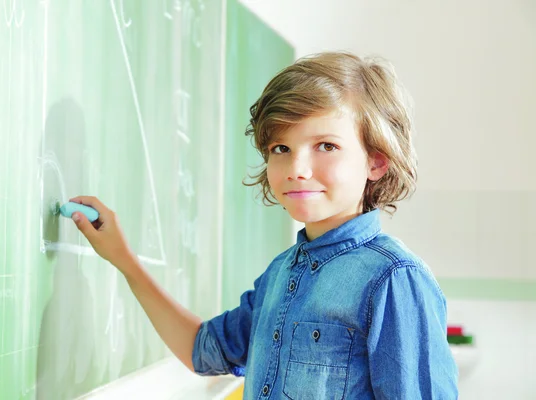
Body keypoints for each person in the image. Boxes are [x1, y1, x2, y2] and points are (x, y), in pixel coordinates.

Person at [70, 52, 458, 399]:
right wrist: (124, 260)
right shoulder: (281, 274)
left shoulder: (393, 279)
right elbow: (202, 350)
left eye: (326, 145)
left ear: (376, 161)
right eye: (281, 149)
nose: (297, 169)